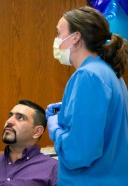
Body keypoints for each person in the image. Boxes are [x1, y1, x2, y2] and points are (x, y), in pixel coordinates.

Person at [46, 6, 128, 185]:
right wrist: (70, 110)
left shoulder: (88, 75)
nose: (56, 40)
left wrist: (55, 129)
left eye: (59, 34)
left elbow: (78, 154)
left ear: (75, 37)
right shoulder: (111, 74)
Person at [0, 100, 57, 186]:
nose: (9, 121)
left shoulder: (53, 169)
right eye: (10, 116)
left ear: (37, 132)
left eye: (20, 118)